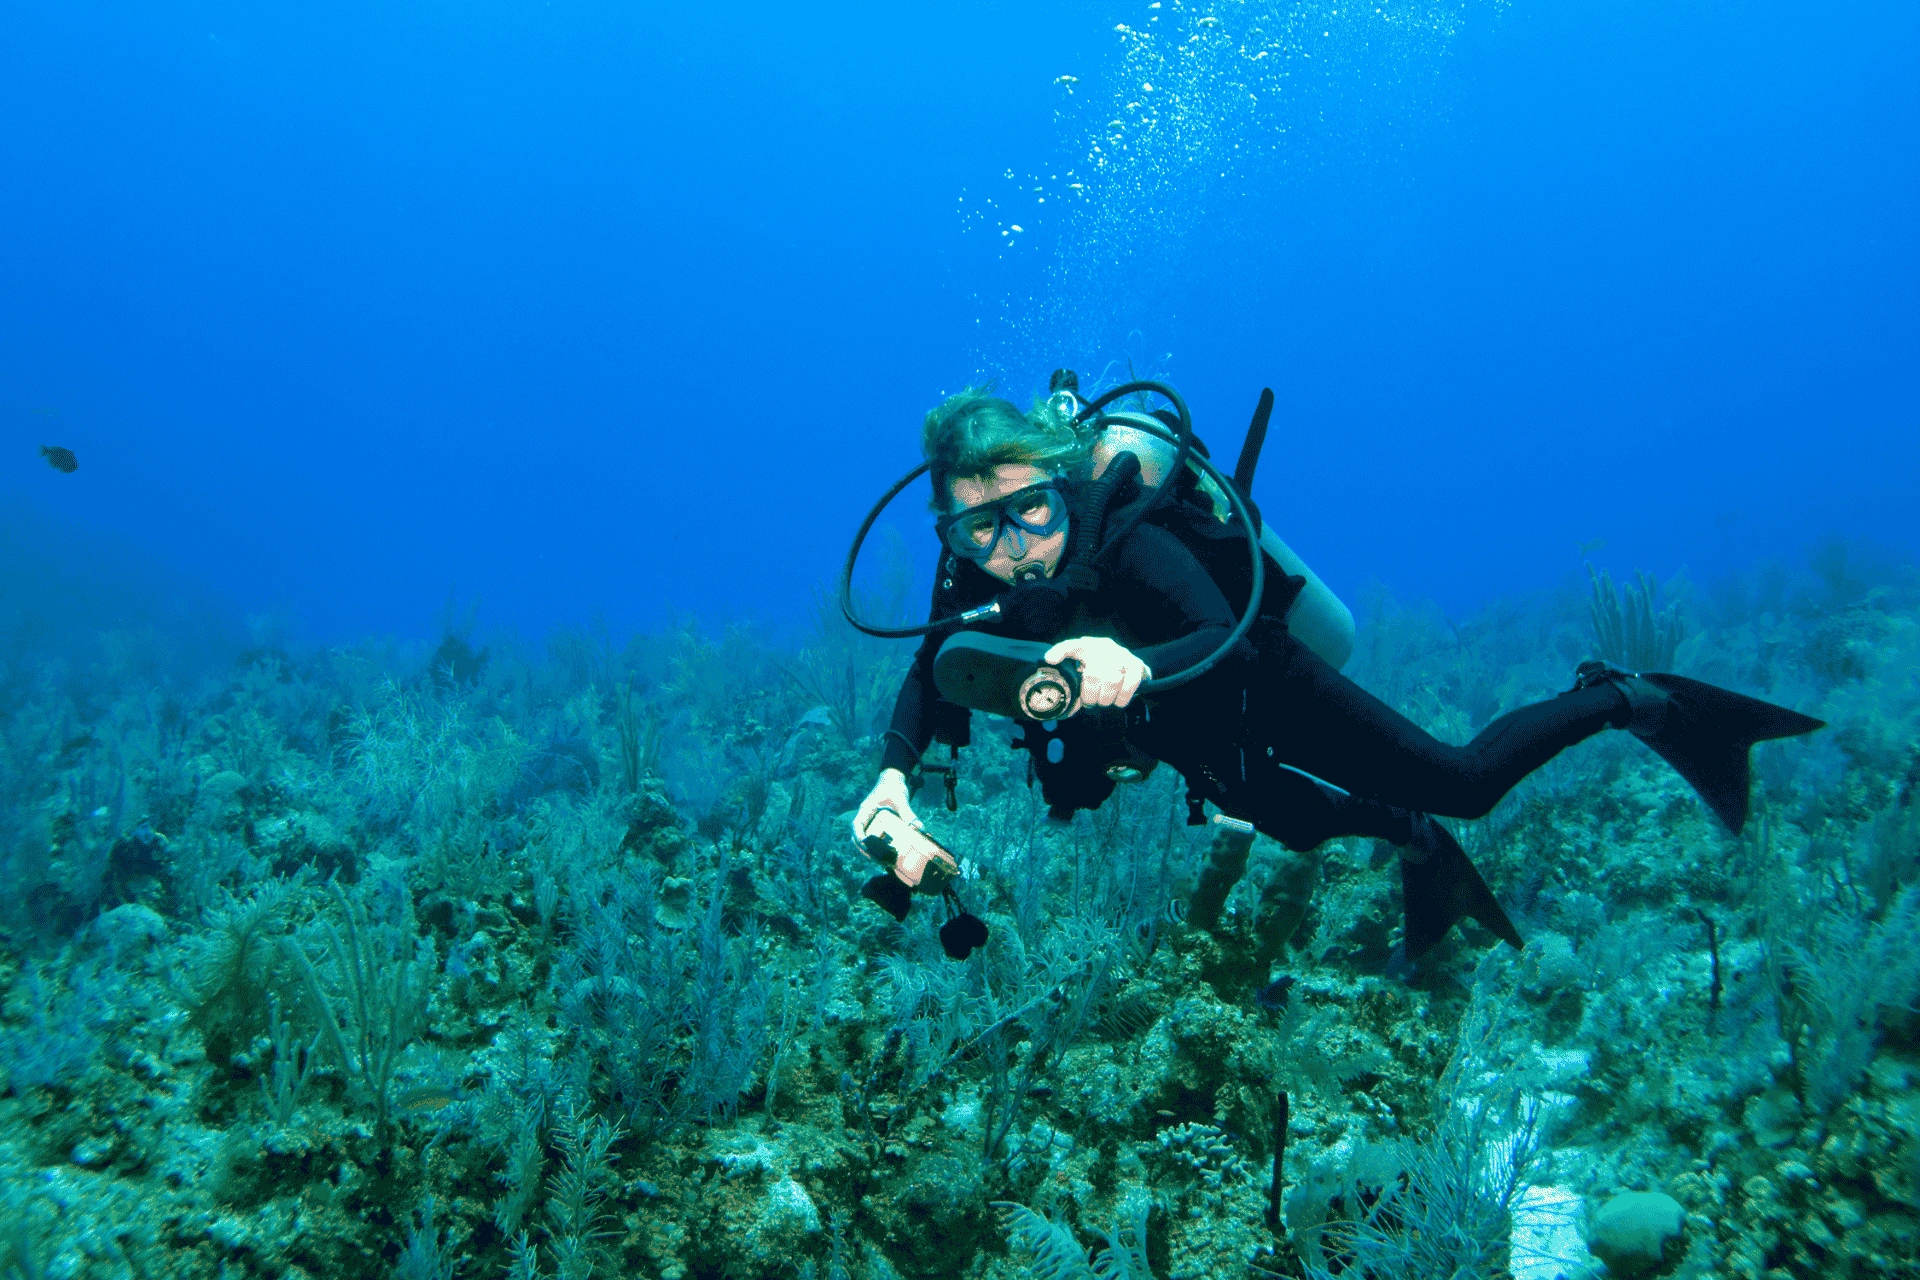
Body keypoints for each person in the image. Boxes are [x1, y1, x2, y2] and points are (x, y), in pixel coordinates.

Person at [850, 385, 1822, 960]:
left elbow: (1223, 631)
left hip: (1255, 673)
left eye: (1032, 510)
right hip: (1174, 722)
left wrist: (1130, 662)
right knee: (1303, 821)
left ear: (1061, 480)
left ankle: (1630, 697)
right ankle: (1418, 846)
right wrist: (893, 779)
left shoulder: (1125, 528)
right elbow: (937, 668)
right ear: (950, 531)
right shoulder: (971, 568)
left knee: (1464, 782)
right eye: (979, 529)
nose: (1015, 547)